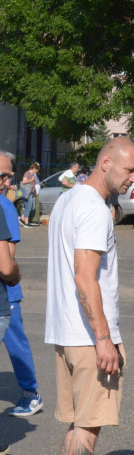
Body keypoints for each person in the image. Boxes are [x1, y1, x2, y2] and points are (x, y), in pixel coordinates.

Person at [40, 137, 134, 455]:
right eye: (129, 170)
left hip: (67, 333)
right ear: (106, 162)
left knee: (77, 425)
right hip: (87, 337)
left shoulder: (68, 200)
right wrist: (104, 338)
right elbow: (85, 276)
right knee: (88, 427)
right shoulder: (94, 208)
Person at [0, 151, 41, 417]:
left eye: (8, 176)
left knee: (15, 343)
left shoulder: (4, 206)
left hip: (6, 292)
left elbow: (9, 256)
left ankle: (31, 394)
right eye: (2, 176)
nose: (6, 182)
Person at [19, 161, 40, 226]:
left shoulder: (33, 175)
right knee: (28, 207)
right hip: (28, 193)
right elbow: (24, 181)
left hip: (32, 193)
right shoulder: (27, 173)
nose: (36, 171)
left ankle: (22, 218)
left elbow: (34, 185)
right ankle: (26, 223)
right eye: (36, 170)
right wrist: (31, 180)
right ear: (34, 168)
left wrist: (35, 194)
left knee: (33, 207)